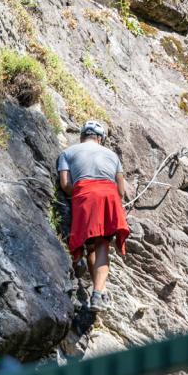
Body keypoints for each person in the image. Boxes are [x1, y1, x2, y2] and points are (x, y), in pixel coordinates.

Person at [58, 120, 130, 312]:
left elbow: (65, 185)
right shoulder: (113, 155)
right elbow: (121, 191)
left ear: (82, 136)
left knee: (91, 244)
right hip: (109, 195)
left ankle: (99, 292)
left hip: (84, 194)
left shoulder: (67, 153)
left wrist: (83, 192)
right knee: (101, 245)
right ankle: (99, 293)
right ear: (100, 139)